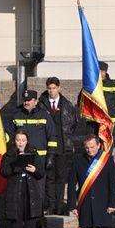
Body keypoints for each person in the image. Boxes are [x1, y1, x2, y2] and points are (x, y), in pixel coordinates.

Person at [67, 135, 115, 228]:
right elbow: (71, 183)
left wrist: (112, 203)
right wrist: (72, 205)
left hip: (103, 205)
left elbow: (113, 183)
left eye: (92, 147)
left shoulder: (107, 160)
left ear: (98, 145)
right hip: (85, 204)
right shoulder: (78, 160)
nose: (89, 150)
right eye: (87, 148)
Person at [7, 89, 57, 211]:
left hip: (39, 160)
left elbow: (52, 137)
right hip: (20, 159)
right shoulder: (16, 115)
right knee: (21, 190)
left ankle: (38, 216)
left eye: (29, 100)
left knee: (38, 190)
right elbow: (9, 136)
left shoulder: (44, 115)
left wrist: (50, 156)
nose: (26, 102)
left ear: (36, 101)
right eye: (25, 100)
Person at [1, 130, 45, 228]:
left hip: (30, 193)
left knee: (30, 223)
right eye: (18, 140)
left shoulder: (33, 153)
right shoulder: (8, 155)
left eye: (23, 140)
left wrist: (35, 170)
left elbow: (41, 173)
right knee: (16, 223)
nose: (20, 143)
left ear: (27, 141)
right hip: (15, 192)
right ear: (14, 141)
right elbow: (3, 171)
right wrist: (15, 166)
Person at [38, 77, 77, 214]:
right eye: (49, 88)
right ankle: (50, 205)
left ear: (59, 88)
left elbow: (73, 124)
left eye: (54, 88)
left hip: (62, 146)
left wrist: (67, 139)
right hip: (47, 146)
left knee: (61, 177)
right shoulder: (41, 104)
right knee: (49, 177)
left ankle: (59, 206)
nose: (51, 91)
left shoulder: (66, 104)